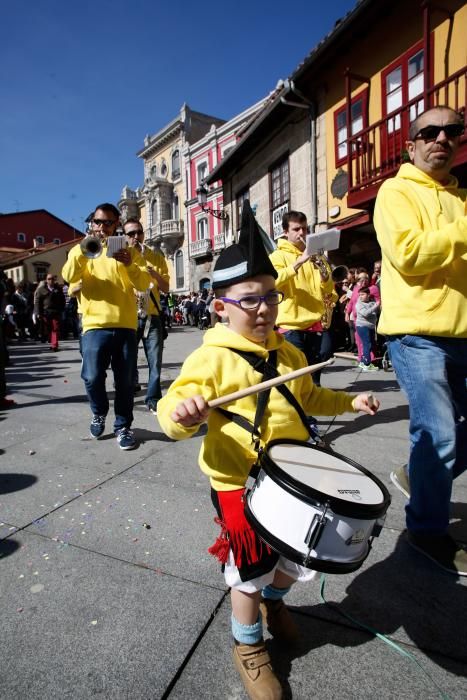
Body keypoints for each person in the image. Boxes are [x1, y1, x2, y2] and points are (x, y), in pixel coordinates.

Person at [157, 201, 379, 700]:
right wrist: (183, 412)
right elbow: (171, 409)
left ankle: (277, 602)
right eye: (250, 299)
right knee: (248, 571)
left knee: (294, 557)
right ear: (220, 306)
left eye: (271, 298)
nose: (265, 309)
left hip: (293, 478)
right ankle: (248, 646)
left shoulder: (290, 353)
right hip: (238, 482)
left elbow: (310, 398)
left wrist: (349, 400)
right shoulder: (209, 357)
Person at [374, 105, 467, 576]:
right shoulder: (395, 191)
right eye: (429, 131)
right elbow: (408, 255)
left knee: (443, 441)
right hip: (417, 334)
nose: (442, 139)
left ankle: (422, 474)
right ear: (410, 145)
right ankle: (426, 532)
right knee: (437, 432)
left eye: (453, 131)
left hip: (463, 332)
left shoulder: (463, 199)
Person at [62, 203, 151, 450]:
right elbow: (69, 276)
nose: (102, 227)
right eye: (98, 222)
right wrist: (82, 250)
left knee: (124, 382)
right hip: (94, 325)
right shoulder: (81, 249)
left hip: (124, 324)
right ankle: (99, 412)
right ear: (92, 223)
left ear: (116, 225)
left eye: (109, 223)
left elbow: (144, 282)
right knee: (91, 377)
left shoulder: (129, 250)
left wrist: (129, 264)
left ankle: (123, 426)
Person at [123, 218, 170, 415]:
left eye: (139, 232)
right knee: (127, 360)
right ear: (124, 236)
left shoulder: (156, 257)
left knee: (155, 360)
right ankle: (128, 390)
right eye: (131, 233)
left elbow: (166, 288)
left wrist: (155, 275)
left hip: (152, 316)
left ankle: (153, 398)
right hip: (128, 316)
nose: (136, 237)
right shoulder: (121, 257)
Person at [33, 274, 65, 351]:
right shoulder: (41, 289)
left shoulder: (58, 289)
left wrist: (62, 309)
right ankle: (51, 342)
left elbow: (62, 299)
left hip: (55, 312)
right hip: (45, 313)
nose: (51, 280)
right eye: (49, 279)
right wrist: (37, 312)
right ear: (46, 280)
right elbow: (37, 302)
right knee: (48, 329)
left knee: (55, 328)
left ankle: (54, 345)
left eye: (52, 279)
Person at [355, 286, 379, 371]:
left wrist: (374, 307)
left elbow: (374, 313)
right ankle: (366, 364)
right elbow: (365, 313)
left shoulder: (372, 302)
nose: (360, 296)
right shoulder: (359, 304)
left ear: (368, 295)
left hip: (371, 326)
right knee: (367, 344)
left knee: (371, 344)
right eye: (359, 295)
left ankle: (362, 361)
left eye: (363, 294)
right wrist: (375, 306)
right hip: (362, 326)